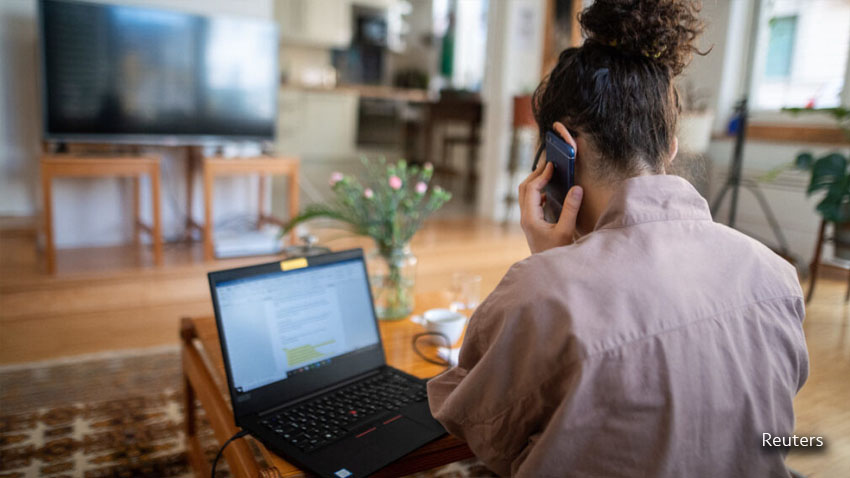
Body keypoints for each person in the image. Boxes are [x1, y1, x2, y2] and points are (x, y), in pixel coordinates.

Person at [427, 0, 809, 476]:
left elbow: (474, 423)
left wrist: (552, 270)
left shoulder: (539, 295)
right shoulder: (777, 276)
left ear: (561, 148)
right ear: (670, 147)